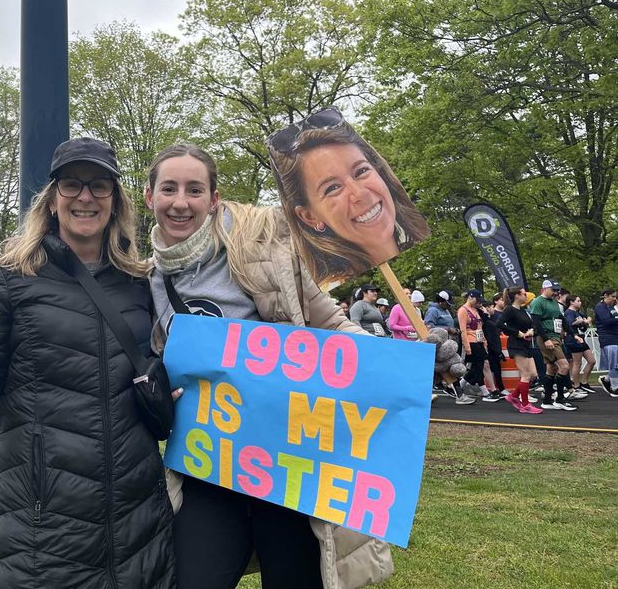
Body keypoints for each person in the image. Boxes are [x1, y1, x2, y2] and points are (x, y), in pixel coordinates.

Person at [0, 137, 175, 589]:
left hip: (136, 513)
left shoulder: (142, 283)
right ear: (52, 200)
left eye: (99, 186)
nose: (85, 197)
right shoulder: (10, 278)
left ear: (115, 201)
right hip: (43, 515)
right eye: (72, 185)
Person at [145, 143, 392, 589]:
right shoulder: (145, 280)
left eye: (195, 189)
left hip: (286, 467)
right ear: (150, 197)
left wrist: (393, 368)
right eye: (170, 188)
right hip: (208, 467)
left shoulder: (263, 254)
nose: (181, 202)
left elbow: (333, 325)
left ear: (213, 199)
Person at [268, 107, 430, 286]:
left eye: (361, 171)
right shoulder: (322, 297)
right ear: (309, 216)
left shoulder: (421, 246)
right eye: (333, 188)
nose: (360, 193)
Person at [528, 280, 578, 410]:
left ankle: (547, 400)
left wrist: (574, 334)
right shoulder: (538, 302)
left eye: (557, 291)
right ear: (545, 288)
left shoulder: (554, 302)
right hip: (547, 338)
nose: (556, 292)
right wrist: (545, 339)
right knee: (564, 365)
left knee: (552, 369)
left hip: (556, 337)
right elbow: (536, 322)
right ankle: (560, 398)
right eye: (553, 290)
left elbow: (562, 320)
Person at [496, 287, 542, 413]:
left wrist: (532, 330)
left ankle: (513, 396)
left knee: (533, 374)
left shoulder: (522, 309)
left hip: (526, 344)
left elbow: (531, 323)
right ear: (517, 296)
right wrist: (517, 333)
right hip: (516, 344)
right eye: (524, 294)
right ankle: (525, 405)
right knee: (525, 375)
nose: (526, 296)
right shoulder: (509, 309)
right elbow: (499, 323)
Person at [457, 291, 488, 399]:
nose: (478, 303)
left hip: (479, 340)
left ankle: (462, 384)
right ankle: (482, 389)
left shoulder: (475, 310)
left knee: (478, 365)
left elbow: (480, 327)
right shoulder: (463, 311)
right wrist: (467, 347)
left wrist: (484, 341)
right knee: (478, 365)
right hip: (470, 341)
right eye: (477, 300)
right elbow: (463, 330)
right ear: (470, 297)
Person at [563, 295, 595, 393]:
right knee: (577, 363)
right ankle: (576, 385)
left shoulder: (577, 312)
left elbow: (587, 318)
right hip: (574, 340)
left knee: (592, 360)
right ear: (572, 302)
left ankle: (584, 381)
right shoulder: (569, 313)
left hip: (581, 339)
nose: (580, 302)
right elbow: (569, 324)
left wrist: (587, 320)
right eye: (578, 300)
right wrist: (578, 322)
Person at [594, 289, 618, 397]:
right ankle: (614, 387)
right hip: (607, 338)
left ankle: (607, 379)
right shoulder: (600, 307)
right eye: (612, 296)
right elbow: (606, 321)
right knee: (613, 363)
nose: (614, 299)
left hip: (615, 336)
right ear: (605, 296)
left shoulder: (612, 307)